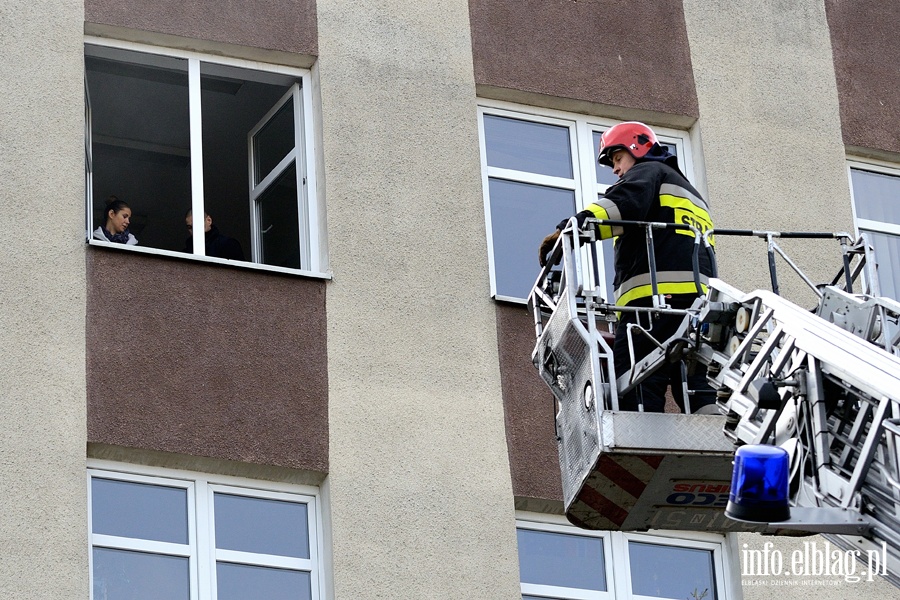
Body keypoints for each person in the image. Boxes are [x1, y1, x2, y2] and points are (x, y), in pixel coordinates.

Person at [538, 121, 716, 413]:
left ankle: (647, 451)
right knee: (696, 381)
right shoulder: (693, 195)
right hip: (698, 305)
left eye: (617, 158)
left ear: (638, 148)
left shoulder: (648, 172)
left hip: (651, 305)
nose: (616, 169)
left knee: (635, 381)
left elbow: (622, 205)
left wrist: (570, 229)